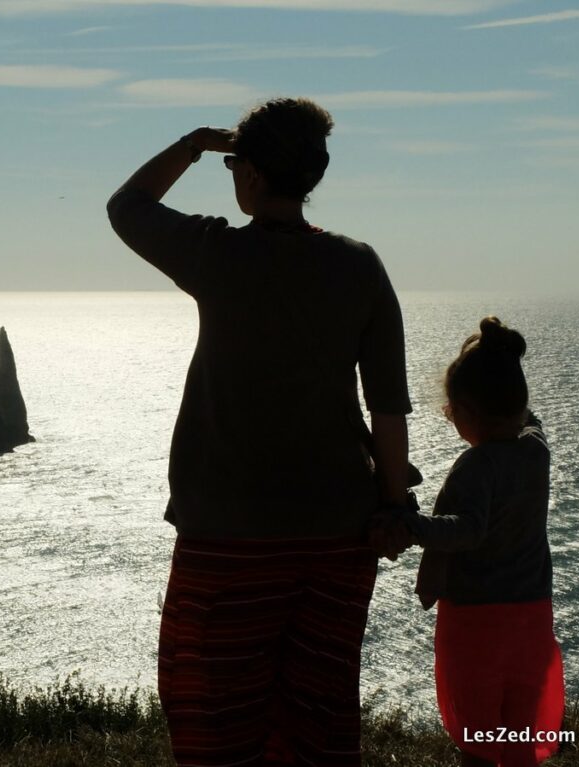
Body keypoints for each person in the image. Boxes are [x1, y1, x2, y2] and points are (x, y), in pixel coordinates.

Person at [107, 97, 412, 766]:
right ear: (313, 174)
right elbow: (388, 408)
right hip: (336, 537)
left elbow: (126, 206)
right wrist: (395, 504)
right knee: (318, 725)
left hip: (226, 539)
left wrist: (192, 144)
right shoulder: (359, 265)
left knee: (216, 726)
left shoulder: (215, 254)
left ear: (246, 173)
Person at [396, 317, 564, 767]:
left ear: (465, 411)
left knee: (479, 738)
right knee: (519, 729)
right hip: (531, 614)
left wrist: (414, 526)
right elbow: (531, 419)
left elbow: (466, 529)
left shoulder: (477, 465)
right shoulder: (536, 451)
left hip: (478, 620)